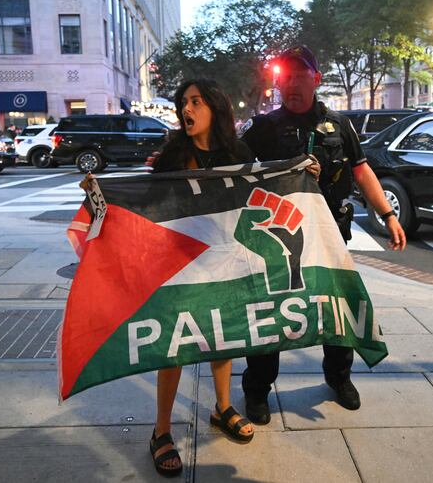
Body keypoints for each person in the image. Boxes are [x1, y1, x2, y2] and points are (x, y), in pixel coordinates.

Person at [238, 45, 407, 424]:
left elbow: (362, 172)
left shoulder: (339, 125)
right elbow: (233, 174)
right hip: (278, 239)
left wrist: (388, 214)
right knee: (273, 315)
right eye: (287, 76)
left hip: (330, 237)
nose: (293, 84)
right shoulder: (263, 128)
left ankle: (340, 378)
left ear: (315, 79)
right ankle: (257, 390)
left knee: (337, 310)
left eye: (301, 76)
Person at [129, 79, 256, 477]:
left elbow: (266, 190)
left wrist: (304, 173)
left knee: (224, 336)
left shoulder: (238, 153)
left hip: (225, 261)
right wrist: (103, 194)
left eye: (196, 102)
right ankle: (161, 431)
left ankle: (222, 407)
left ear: (214, 109)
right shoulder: (172, 156)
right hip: (180, 266)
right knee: (175, 344)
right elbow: (148, 204)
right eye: (184, 102)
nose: (187, 108)